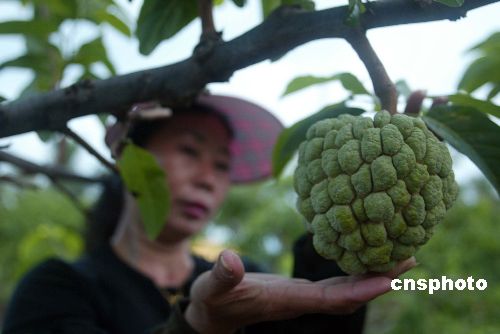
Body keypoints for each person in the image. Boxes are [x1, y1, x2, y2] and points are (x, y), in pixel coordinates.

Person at [1, 93, 416, 334]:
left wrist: (362, 205)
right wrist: (197, 324)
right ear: (129, 157)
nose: (207, 179)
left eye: (221, 165)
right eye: (188, 151)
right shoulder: (58, 289)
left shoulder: (245, 280)